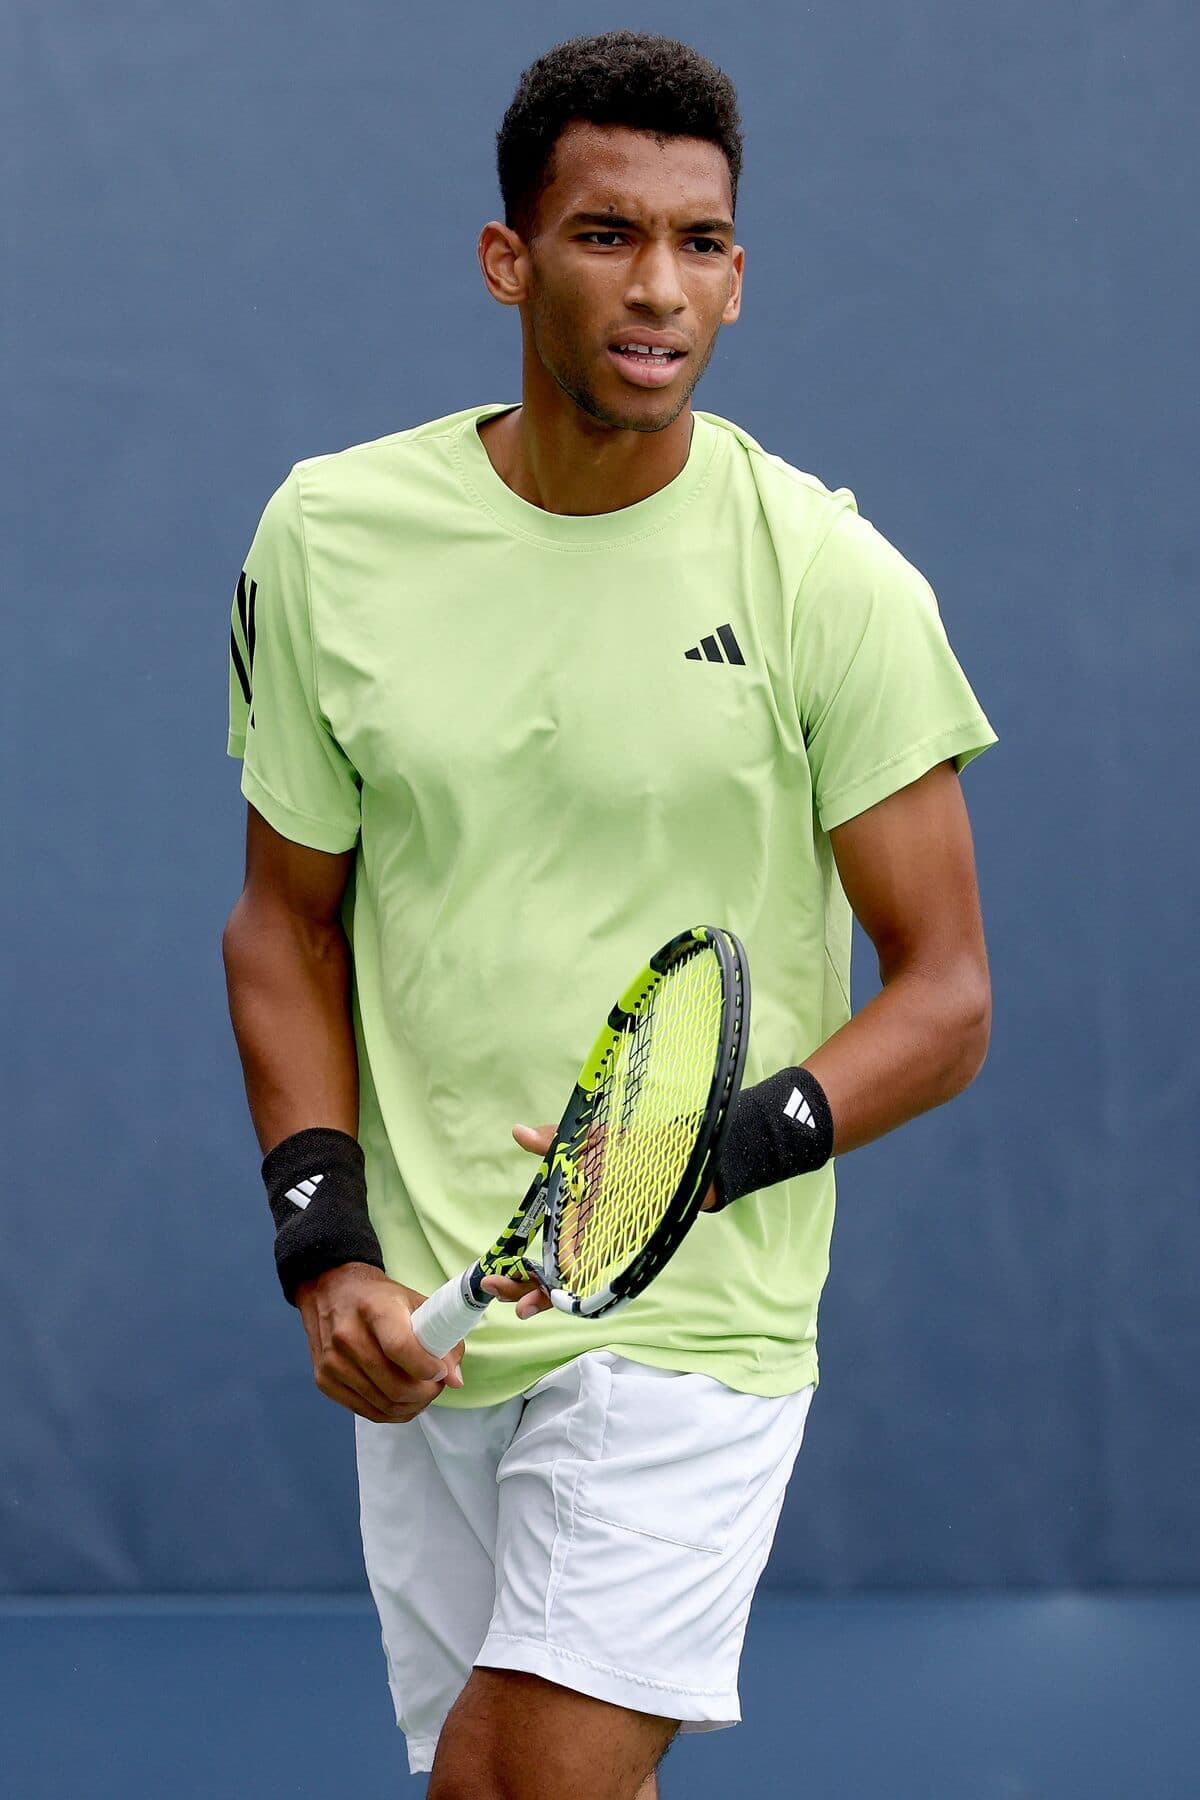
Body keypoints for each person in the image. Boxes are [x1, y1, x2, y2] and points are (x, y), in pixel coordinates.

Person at [222, 30, 995, 1800]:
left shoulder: (829, 577)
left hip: (693, 1311)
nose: (661, 289)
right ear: (510, 259)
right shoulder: (330, 540)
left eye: (701, 243)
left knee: (521, 1784)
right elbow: (282, 926)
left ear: (737, 271)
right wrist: (323, 1237)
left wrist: (691, 1164)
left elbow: (945, 997)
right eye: (606, 236)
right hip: (435, 1308)